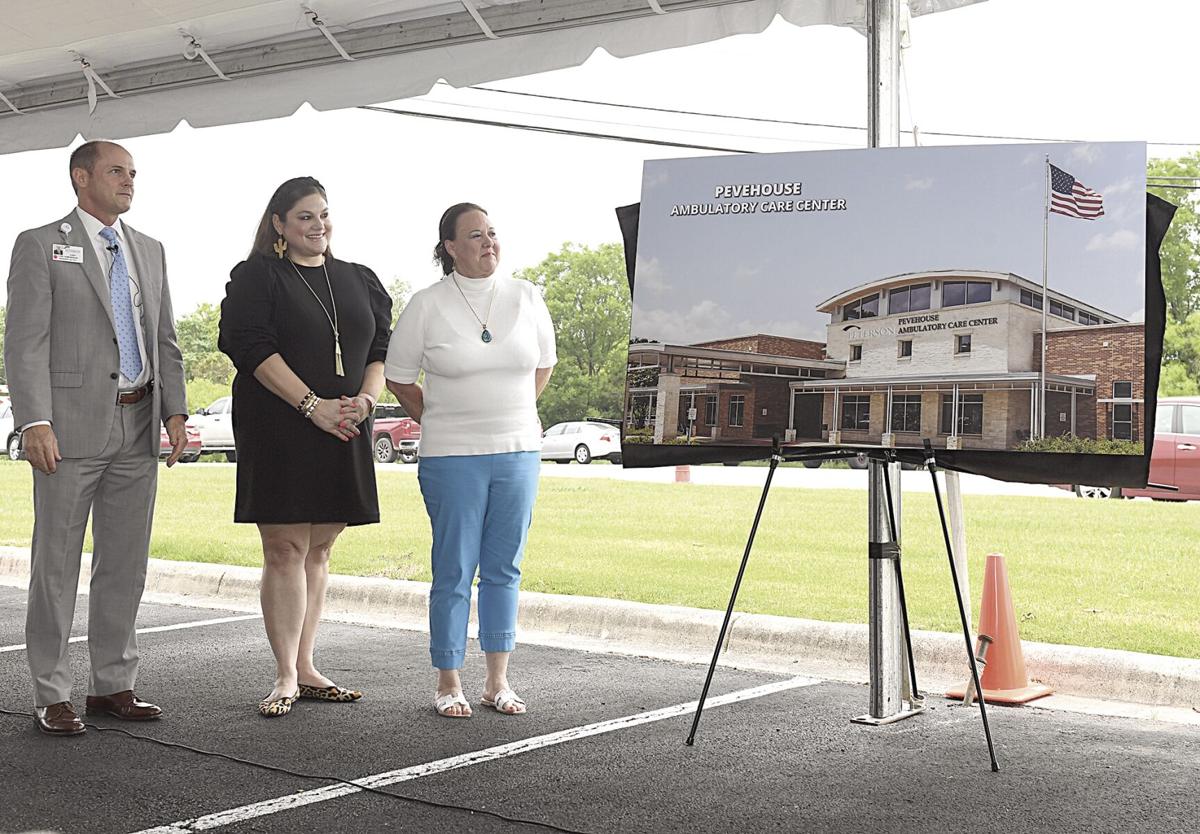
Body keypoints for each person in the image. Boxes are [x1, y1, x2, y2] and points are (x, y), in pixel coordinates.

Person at [3, 140, 189, 736]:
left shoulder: (150, 249)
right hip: (68, 429)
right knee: (56, 566)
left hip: (140, 424)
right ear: (80, 178)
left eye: (132, 173)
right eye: (116, 171)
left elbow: (164, 337)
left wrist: (176, 411)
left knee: (125, 564)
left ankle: (112, 684)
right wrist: (34, 421)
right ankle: (52, 693)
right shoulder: (39, 244)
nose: (129, 181)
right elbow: (24, 342)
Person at [218, 177, 392, 717]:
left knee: (319, 549)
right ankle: (285, 675)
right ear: (279, 224)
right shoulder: (257, 276)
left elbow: (381, 350)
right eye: (305, 217)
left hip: (344, 424)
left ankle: (308, 665)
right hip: (281, 425)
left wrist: (366, 401)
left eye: (323, 214)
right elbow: (250, 348)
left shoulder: (360, 279)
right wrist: (311, 405)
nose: (319, 225)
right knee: (285, 548)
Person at [385, 203, 556, 718]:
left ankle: (497, 682)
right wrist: (439, 417)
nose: (488, 242)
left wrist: (513, 414)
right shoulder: (427, 304)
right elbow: (398, 377)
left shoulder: (526, 296)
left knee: (504, 567)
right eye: (475, 235)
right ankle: (448, 681)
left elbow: (543, 366)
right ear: (450, 247)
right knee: (454, 568)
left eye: (492, 233)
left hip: (518, 452)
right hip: (452, 456)